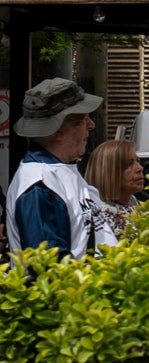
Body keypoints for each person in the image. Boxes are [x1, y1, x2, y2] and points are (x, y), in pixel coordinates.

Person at [6, 78, 104, 258]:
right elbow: (48, 269)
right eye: (83, 119)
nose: (91, 125)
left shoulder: (60, 170)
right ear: (58, 130)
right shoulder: (40, 185)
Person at [83, 137, 144, 247]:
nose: (139, 168)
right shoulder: (101, 214)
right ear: (109, 172)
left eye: (137, 161)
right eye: (130, 164)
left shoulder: (132, 201)